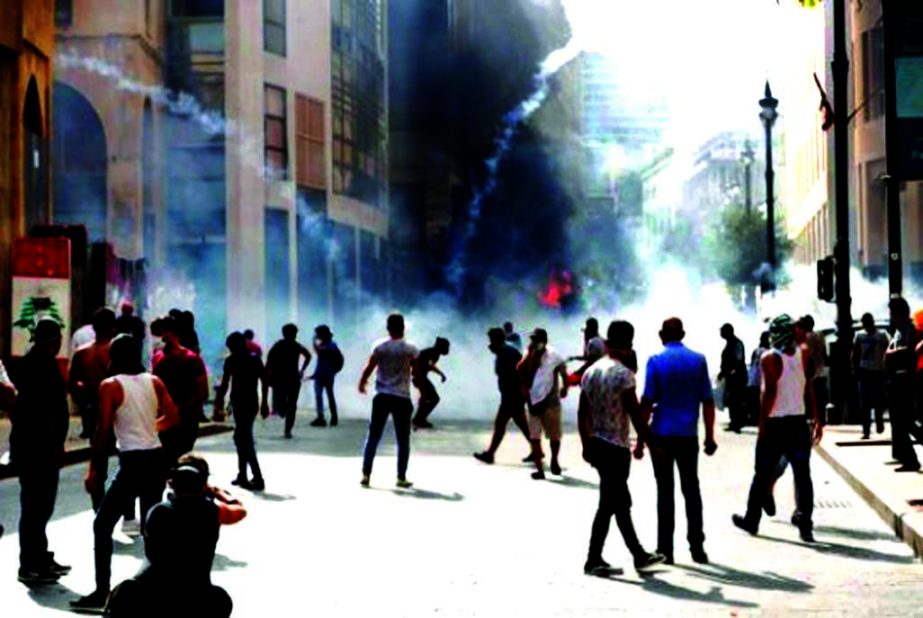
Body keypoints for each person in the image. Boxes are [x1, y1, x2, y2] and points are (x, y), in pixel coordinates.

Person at [72, 334, 181, 611]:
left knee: (102, 524)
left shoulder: (110, 385)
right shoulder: (153, 381)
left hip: (133, 461)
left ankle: (101, 592)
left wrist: (94, 470)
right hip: (157, 458)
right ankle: (158, 593)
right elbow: (173, 416)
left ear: (114, 356)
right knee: (151, 528)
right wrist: (148, 427)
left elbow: (102, 431)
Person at [105, 454, 246, 618]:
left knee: (123, 594)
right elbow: (239, 509)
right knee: (220, 600)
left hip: (154, 596)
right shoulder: (214, 512)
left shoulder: (158, 512)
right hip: (196, 598)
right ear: (203, 485)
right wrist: (217, 492)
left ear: (171, 483)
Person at [579, 320, 666, 576]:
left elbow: (583, 412)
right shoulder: (624, 375)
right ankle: (599, 558)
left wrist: (586, 444)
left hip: (597, 443)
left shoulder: (591, 371)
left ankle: (635, 555)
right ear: (628, 346)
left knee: (616, 502)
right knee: (611, 503)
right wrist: (651, 443)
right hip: (616, 447)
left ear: (607, 343)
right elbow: (636, 415)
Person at [732, 314, 823, 543]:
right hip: (799, 422)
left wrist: (762, 425)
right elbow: (808, 387)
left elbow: (769, 393)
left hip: (776, 424)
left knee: (761, 472)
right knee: (803, 475)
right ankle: (805, 524)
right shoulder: (804, 353)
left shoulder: (769, 358)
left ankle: (752, 519)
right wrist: (816, 417)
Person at [635, 318, 716, 565]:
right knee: (691, 490)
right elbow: (708, 401)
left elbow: (647, 402)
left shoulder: (655, 360)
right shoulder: (699, 360)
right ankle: (697, 547)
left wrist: (640, 441)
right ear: (682, 334)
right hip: (688, 435)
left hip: (661, 435)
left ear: (661, 335)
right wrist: (710, 436)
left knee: (665, 492)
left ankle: (666, 550)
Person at [9, 319, 71, 584]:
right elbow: (35, 412)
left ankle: (40, 556)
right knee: (35, 508)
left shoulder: (40, 362)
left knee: (41, 508)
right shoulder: (35, 365)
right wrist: (51, 445)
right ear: (52, 340)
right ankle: (29, 564)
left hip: (45, 448)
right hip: (37, 450)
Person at [358, 314, 419, 488]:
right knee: (403, 439)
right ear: (403, 327)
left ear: (388, 328)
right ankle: (401, 477)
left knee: (373, 436)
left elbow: (370, 367)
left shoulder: (380, 347)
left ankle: (366, 475)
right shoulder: (410, 349)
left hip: (382, 395)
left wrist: (362, 382)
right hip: (402, 397)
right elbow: (418, 373)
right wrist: (422, 391)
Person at [151, 315, 209, 460]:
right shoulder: (158, 358)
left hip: (187, 419)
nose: (165, 336)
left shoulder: (192, 359)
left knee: (181, 457)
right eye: (163, 331)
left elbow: (203, 392)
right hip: (165, 419)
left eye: (168, 331)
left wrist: (180, 408)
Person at [214, 332, 267, 491]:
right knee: (241, 438)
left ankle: (257, 477)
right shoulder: (253, 359)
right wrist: (264, 403)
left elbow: (224, 385)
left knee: (244, 439)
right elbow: (264, 382)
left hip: (242, 403)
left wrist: (219, 402)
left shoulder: (233, 360)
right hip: (246, 403)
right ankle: (243, 475)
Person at [474, 328, 534, 464]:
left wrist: (521, 392)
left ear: (496, 340)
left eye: (491, 340)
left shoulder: (507, 353)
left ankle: (490, 454)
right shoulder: (504, 351)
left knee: (501, 424)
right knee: (520, 425)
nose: (489, 343)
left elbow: (517, 374)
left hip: (512, 395)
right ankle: (537, 451)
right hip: (511, 395)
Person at [519, 328, 569, 479]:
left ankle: (554, 460)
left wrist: (565, 387)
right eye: (533, 339)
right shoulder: (528, 354)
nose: (534, 342)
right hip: (532, 401)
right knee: (534, 436)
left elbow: (563, 372)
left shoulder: (554, 355)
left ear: (545, 341)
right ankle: (540, 470)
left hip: (550, 401)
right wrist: (529, 356)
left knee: (554, 435)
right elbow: (519, 370)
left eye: (537, 339)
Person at [885, 297, 923, 471]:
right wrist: (893, 354)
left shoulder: (912, 330)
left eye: (893, 313)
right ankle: (909, 459)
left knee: (906, 422)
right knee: (901, 423)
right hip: (896, 381)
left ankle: (910, 459)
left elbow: (911, 352)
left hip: (908, 381)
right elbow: (888, 353)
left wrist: (894, 354)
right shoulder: (898, 332)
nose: (891, 317)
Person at [265, 323, 312, 438]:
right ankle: (287, 428)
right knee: (290, 406)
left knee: (287, 405)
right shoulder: (294, 346)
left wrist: (267, 373)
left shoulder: (280, 345)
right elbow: (308, 356)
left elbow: (269, 361)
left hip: (284, 379)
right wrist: (302, 370)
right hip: (289, 379)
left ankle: (287, 428)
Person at [853, 313, 889, 439]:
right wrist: (855, 369)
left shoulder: (882, 335)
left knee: (879, 399)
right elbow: (855, 352)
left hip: (878, 370)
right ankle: (866, 430)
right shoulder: (860, 335)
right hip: (864, 371)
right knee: (865, 402)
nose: (866, 327)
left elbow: (887, 350)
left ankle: (879, 421)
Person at [412, 337, 450, 430]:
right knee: (433, 398)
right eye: (446, 347)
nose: (447, 349)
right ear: (441, 347)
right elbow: (426, 364)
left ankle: (418, 419)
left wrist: (441, 374)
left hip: (420, 377)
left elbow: (430, 365)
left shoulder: (434, 353)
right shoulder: (433, 352)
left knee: (430, 398)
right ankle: (419, 419)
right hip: (419, 377)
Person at [310, 325, 342, 428]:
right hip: (320, 374)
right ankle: (321, 417)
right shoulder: (325, 344)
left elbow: (320, 351)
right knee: (319, 395)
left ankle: (334, 417)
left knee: (329, 395)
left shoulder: (332, 345)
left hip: (328, 374)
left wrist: (313, 341)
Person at [718, 323, 747, 433]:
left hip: (737, 376)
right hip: (731, 376)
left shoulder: (737, 344)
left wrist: (733, 372)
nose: (721, 334)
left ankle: (737, 423)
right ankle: (734, 422)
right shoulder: (729, 344)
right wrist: (723, 372)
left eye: (722, 331)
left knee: (736, 400)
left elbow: (739, 360)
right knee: (731, 400)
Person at [799, 315, 828, 422]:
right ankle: (822, 419)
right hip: (821, 371)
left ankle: (812, 419)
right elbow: (825, 354)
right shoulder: (820, 335)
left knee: (810, 399)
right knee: (821, 399)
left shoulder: (804, 338)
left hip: (809, 373)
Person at [569, 317, 608, 382]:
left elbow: (590, 361)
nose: (584, 334)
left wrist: (578, 373)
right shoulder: (602, 340)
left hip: (596, 374)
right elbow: (588, 357)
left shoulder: (593, 343)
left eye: (586, 331)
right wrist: (574, 358)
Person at [746, 332, 771, 427]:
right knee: (758, 400)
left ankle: (754, 417)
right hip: (761, 379)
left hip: (753, 378)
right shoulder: (769, 352)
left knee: (754, 400)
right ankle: (758, 418)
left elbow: (752, 364)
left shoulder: (757, 350)